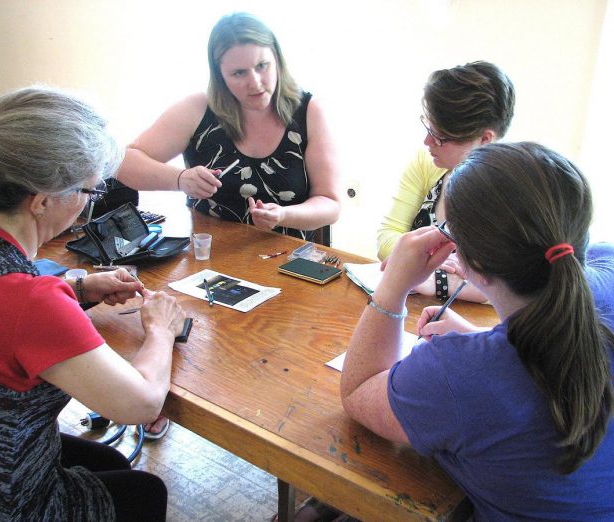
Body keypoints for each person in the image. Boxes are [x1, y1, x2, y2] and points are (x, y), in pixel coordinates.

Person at [0, 87, 187, 521]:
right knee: (142, 491)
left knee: (111, 464)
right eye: (89, 193)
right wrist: (160, 329)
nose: (87, 205)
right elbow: (138, 405)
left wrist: (79, 291)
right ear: (41, 199)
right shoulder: (29, 300)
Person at [341, 142, 614, 520]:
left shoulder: (457, 375)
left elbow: (357, 391)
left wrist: (393, 287)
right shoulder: (607, 267)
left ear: (473, 263)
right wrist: (476, 339)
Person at [116, 12, 341, 242]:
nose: (255, 82)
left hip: (288, 263)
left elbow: (330, 204)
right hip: (210, 260)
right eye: (238, 73)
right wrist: (180, 179)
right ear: (220, 75)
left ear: (277, 59)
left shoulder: (309, 111)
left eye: (262, 65)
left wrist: (284, 215)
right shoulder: (198, 109)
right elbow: (123, 162)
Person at [376, 61, 515, 303]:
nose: (427, 141)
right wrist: (440, 263)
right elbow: (387, 236)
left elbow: (508, 286)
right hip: (416, 306)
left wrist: (433, 279)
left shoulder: (513, 192)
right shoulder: (426, 163)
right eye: (429, 127)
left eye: (440, 137)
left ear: (484, 139)